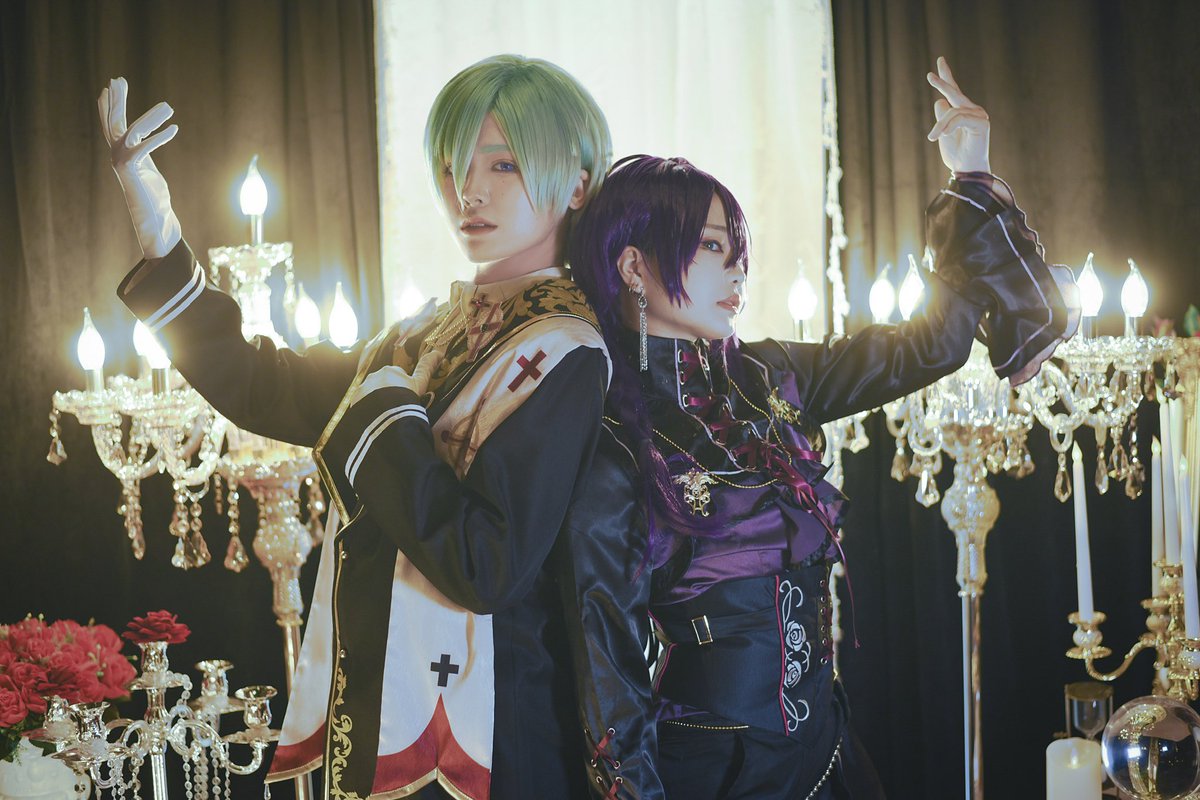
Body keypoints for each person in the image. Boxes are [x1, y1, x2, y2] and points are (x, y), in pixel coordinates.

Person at [97, 55, 635, 799]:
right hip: (375, 709)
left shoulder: (569, 351)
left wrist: (383, 424)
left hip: (499, 739)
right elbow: (260, 384)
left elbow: (489, 567)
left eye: (503, 164)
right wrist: (159, 234)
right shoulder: (419, 336)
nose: (469, 191)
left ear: (577, 183)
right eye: (453, 166)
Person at [565, 57, 1080, 798]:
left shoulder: (768, 373)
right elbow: (607, 673)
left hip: (829, 751)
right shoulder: (613, 438)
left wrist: (971, 173)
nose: (737, 269)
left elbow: (932, 345)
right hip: (714, 776)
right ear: (633, 266)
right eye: (711, 245)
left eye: (737, 248)